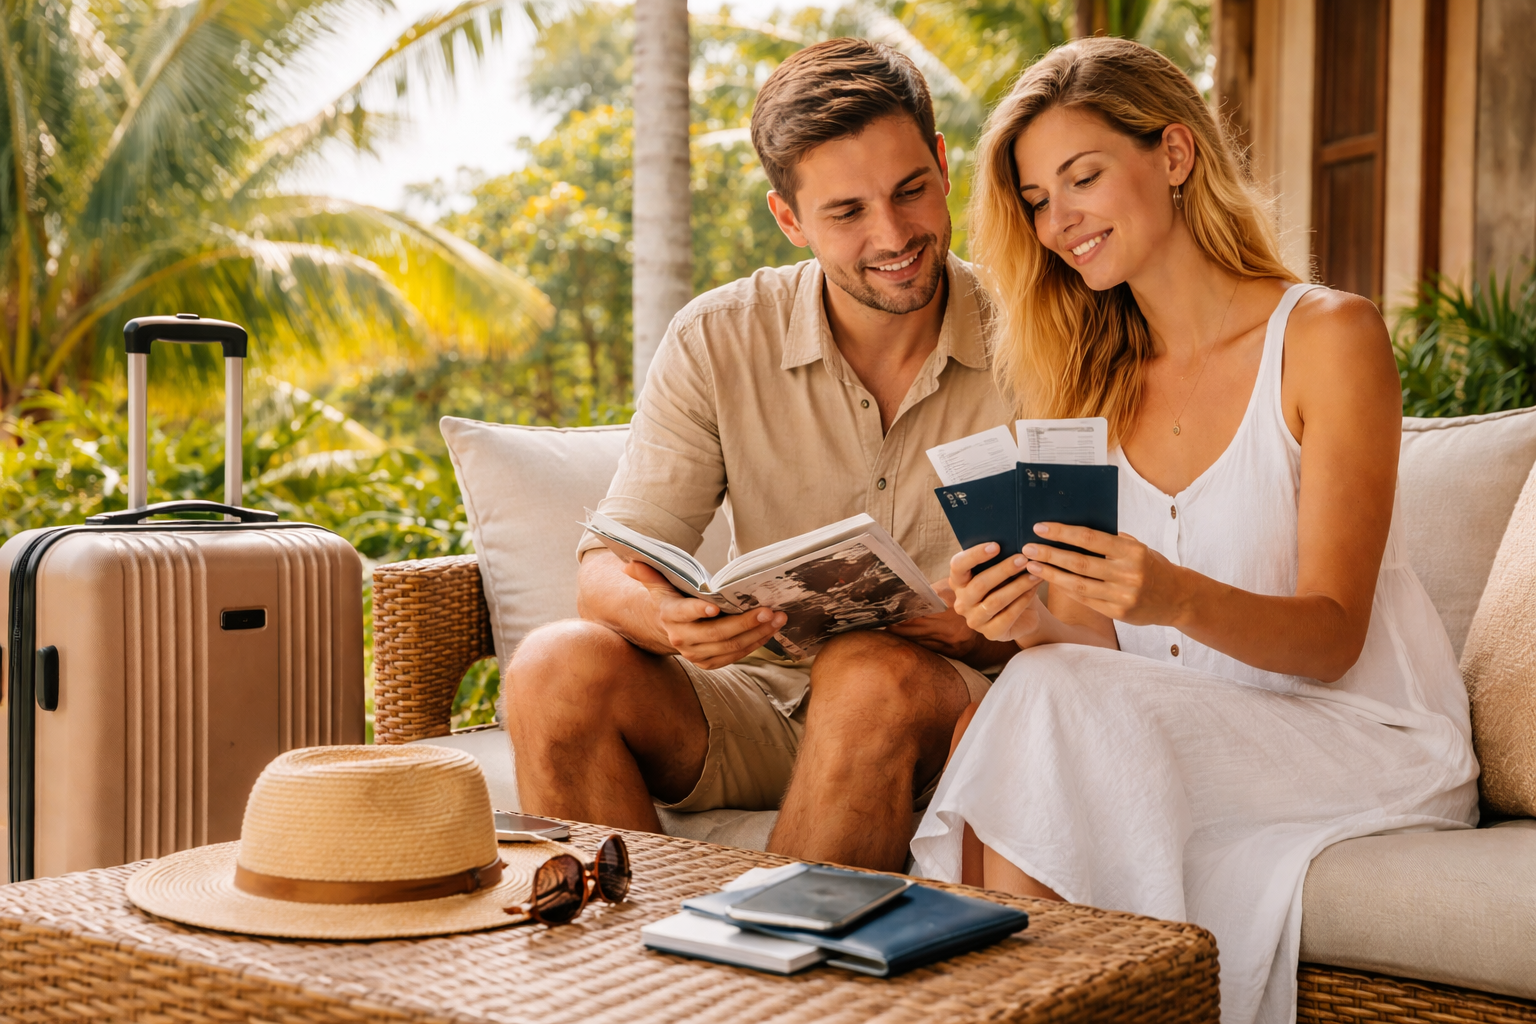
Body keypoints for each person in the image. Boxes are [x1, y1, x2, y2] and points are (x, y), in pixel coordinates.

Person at [909, 37, 1478, 1024]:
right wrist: (1029, 619)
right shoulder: (1092, 383)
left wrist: (1171, 593)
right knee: (1037, 682)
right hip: (1194, 730)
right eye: (1037, 199)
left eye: (1083, 176)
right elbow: (1114, 653)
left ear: (1174, 154)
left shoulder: (1326, 338)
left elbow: (1335, 636)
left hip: (1361, 736)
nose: (1059, 221)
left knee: (1035, 708)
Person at [505, 38, 1019, 872]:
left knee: (866, 674)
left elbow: (1101, 595)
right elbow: (608, 568)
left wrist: (985, 629)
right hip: (761, 702)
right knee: (552, 666)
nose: (893, 234)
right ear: (789, 219)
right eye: (846, 213)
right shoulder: (718, 337)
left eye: (910, 190)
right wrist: (668, 620)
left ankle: (758, 956)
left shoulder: (1035, 336)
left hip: (943, 710)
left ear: (940, 163)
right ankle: (624, 956)